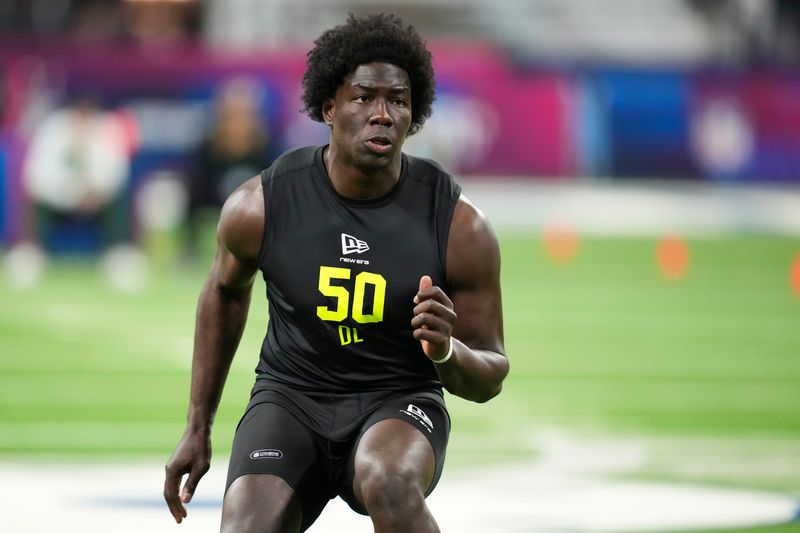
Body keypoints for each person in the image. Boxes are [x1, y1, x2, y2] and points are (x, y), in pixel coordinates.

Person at [163, 12, 508, 533]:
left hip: (399, 398)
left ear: (415, 116)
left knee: (390, 480)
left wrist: (446, 351)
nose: (382, 114)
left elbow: (491, 374)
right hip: (292, 395)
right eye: (363, 97)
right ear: (328, 106)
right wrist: (197, 425)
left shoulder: (459, 225)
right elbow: (224, 293)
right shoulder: (261, 205)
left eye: (398, 100)